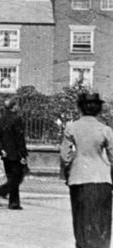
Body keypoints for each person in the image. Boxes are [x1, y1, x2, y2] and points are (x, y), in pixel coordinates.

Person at [60, 91, 113, 248]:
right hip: (102, 178)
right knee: (102, 221)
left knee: (81, 219)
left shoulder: (71, 128)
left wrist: (68, 171)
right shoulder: (106, 130)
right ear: (98, 108)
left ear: (80, 108)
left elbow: (65, 155)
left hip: (79, 177)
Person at [0, 97, 28, 209]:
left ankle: (14, 202)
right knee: (17, 177)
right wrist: (23, 154)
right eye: (16, 105)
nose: (18, 107)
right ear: (13, 106)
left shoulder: (1, 120)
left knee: (12, 177)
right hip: (15, 154)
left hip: (5, 154)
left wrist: (1, 150)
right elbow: (19, 139)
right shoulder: (17, 119)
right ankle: (0, 191)